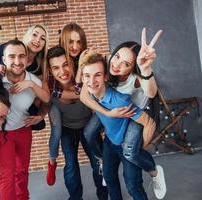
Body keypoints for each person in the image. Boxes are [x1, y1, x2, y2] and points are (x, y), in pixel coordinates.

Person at [80, 28, 166, 199]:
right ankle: (103, 161)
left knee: (131, 174)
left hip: (133, 115)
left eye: (126, 64)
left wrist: (145, 68)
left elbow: (151, 93)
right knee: (89, 132)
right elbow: (84, 94)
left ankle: (154, 171)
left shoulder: (134, 81)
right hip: (113, 120)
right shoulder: (98, 74)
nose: (117, 64)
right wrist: (108, 114)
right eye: (117, 56)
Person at [45, 46, 108, 200]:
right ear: (51, 71)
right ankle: (75, 197)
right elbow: (43, 105)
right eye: (56, 67)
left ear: (73, 64)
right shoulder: (51, 88)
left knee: (98, 162)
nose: (62, 71)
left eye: (65, 64)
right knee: (71, 164)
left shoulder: (85, 79)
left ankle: (104, 196)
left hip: (88, 126)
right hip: (67, 129)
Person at [0, 39, 50, 200]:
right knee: (7, 175)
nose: (17, 61)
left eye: (21, 56)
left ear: (27, 58)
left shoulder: (33, 80)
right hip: (1, 134)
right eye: (12, 56)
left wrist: (30, 84)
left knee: (22, 171)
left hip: (24, 130)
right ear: (3, 59)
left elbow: (46, 98)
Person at [46, 23, 94, 186]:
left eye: (79, 42)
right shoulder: (56, 60)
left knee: (98, 159)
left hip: (85, 119)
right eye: (71, 42)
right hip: (65, 120)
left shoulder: (85, 60)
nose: (75, 46)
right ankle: (52, 161)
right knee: (57, 131)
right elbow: (52, 91)